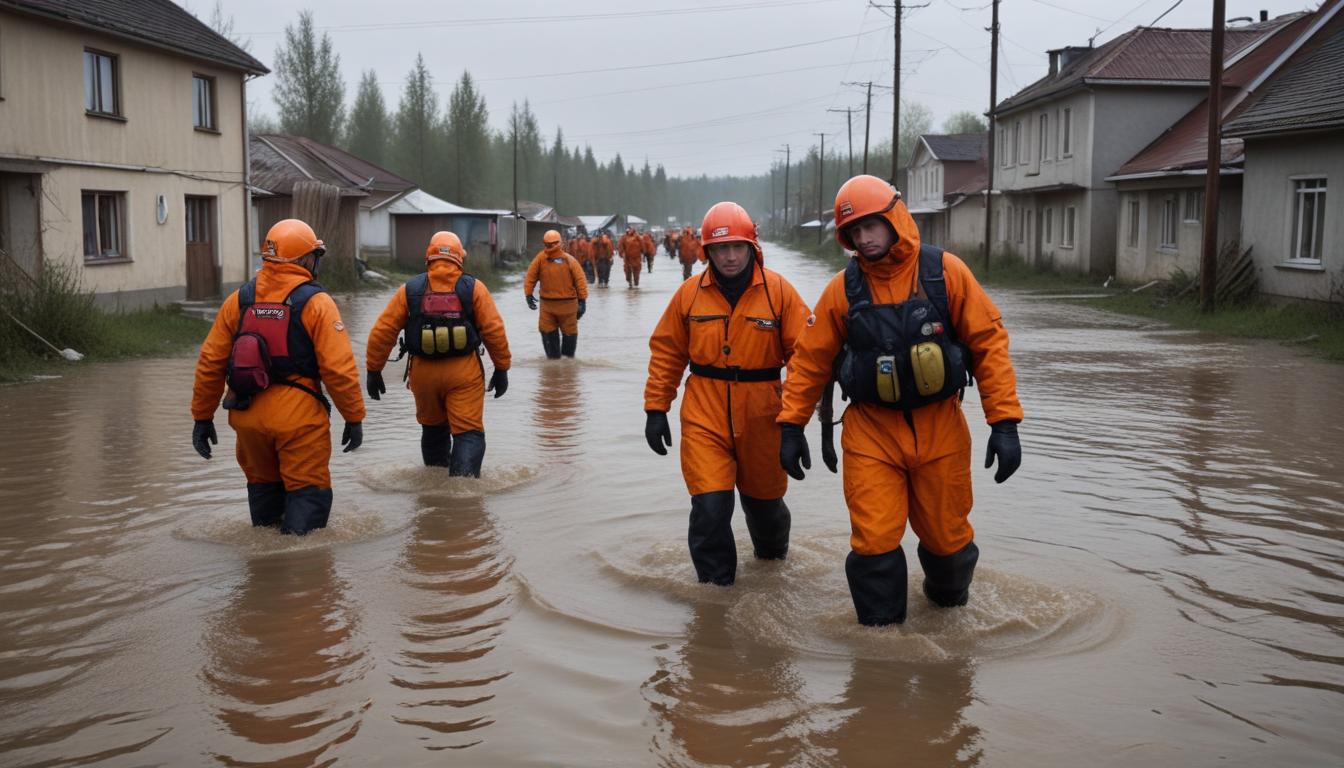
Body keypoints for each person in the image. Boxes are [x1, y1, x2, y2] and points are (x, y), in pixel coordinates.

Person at [776, 174, 1023, 626]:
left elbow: (989, 344)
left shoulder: (945, 273)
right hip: (871, 432)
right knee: (873, 542)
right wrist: (791, 426)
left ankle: (945, 620)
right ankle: (880, 652)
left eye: (872, 226)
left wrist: (1004, 423)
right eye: (854, 231)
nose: (864, 238)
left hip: (941, 427)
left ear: (895, 219)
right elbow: (810, 360)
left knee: (948, 541)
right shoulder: (842, 291)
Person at [643, 202, 811, 586]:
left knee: (765, 508)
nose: (730, 256)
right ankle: (715, 600)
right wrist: (656, 408)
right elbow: (667, 352)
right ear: (707, 252)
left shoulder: (780, 293)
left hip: (764, 413)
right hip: (705, 411)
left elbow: (806, 357)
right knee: (710, 507)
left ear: (752, 247)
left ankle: (772, 571)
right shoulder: (688, 295)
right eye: (720, 249)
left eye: (738, 247)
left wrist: (795, 423)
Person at [190, 218, 364, 535]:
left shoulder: (239, 300)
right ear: (304, 259)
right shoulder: (317, 302)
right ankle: (299, 576)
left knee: (264, 499)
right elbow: (338, 369)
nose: (316, 262)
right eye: (315, 255)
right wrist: (354, 417)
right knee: (307, 501)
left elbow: (210, 362)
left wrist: (202, 417)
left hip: (247, 418)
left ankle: (265, 578)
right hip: (298, 419)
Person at [364, 231, 511, 476]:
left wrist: (373, 369)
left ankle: (434, 487)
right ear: (459, 258)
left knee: (432, 430)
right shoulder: (474, 288)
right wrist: (502, 368)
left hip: (423, 375)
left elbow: (383, 331)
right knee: (468, 433)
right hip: (464, 374)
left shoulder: (409, 289)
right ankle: (462, 494)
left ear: (428, 258)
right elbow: (494, 331)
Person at [524, 229, 588, 359]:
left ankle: (563, 371)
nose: (551, 247)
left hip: (567, 306)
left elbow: (580, 281)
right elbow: (530, 276)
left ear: (560, 243)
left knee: (565, 356)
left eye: (553, 244)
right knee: (555, 355)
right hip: (548, 307)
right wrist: (528, 294)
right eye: (549, 244)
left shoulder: (569, 261)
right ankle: (558, 371)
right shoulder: (541, 259)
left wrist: (582, 301)